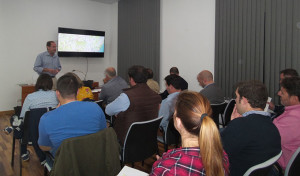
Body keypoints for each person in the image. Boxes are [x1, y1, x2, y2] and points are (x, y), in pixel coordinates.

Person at [150, 91, 229, 176]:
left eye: (174, 113)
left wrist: (160, 166)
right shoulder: (221, 155)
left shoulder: (166, 170)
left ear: (178, 122)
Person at [221, 80, 281, 176]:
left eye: (236, 97)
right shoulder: (272, 126)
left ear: (244, 100)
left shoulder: (239, 126)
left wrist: (232, 124)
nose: (235, 100)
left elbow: (217, 153)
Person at [38, 74, 107, 157]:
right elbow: (103, 133)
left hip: (65, 167)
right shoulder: (95, 107)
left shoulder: (46, 118)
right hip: (94, 162)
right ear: (77, 92)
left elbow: (44, 147)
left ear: (57, 93)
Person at [105, 65, 161, 144]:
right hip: (148, 139)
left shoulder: (126, 96)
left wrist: (119, 113)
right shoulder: (156, 96)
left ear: (131, 79)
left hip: (128, 139)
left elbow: (108, 111)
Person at [273, 77, 300, 170]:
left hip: (278, 165)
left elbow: (266, 141)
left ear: (294, 99)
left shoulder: (292, 120)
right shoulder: (294, 114)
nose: (278, 93)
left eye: (282, 92)